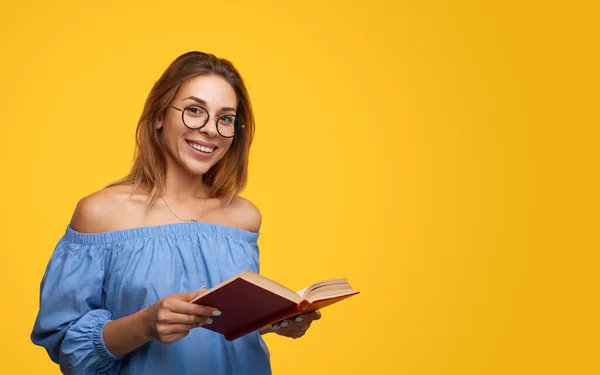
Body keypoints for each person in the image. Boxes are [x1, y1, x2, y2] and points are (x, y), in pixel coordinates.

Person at [31, 51, 321, 375]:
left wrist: (272, 322)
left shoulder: (244, 217)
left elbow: (217, 332)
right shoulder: (100, 213)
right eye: (195, 111)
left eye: (225, 118)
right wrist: (145, 324)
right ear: (159, 116)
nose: (211, 129)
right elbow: (67, 346)